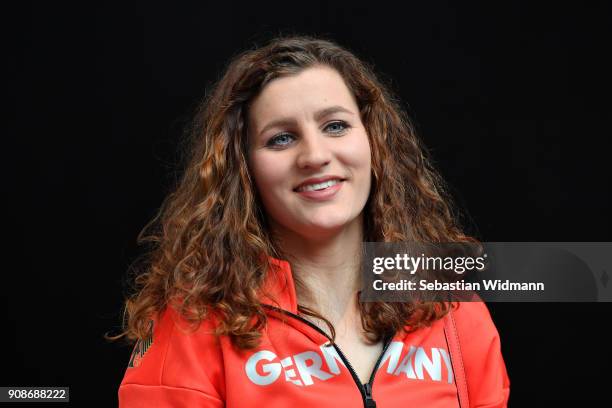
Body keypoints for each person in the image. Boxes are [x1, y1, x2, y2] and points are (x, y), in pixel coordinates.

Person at [112, 34, 510, 407]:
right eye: (281, 138)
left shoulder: (452, 307)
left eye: (335, 126)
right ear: (243, 169)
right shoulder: (193, 325)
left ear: (374, 141)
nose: (315, 155)